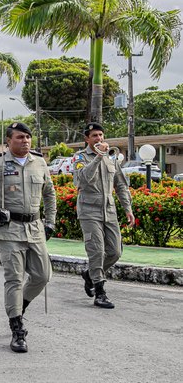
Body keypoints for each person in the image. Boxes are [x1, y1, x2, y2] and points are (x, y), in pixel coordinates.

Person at [0, 122, 56, 353]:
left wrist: (50, 222)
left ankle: (20, 306)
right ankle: (17, 328)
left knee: (43, 276)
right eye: (19, 137)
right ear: (8, 141)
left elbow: (49, 194)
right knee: (14, 278)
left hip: (35, 228)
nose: (25, 141)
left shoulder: (40, 163)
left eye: (27, 137)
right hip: (9, 230)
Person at [72, 123, 135, 309]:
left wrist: (128, 209)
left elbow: (121, 185)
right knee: (96, 251)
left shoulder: (112, 158)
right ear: (87, 139)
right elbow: (83, 179)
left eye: (100, 135)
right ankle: (100, 292)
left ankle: (90, 274)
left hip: (109, 209)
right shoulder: (80, 157)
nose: (99, 139)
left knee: (115, 251)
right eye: (94, 136)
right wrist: (99, 156)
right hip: (88, 210)